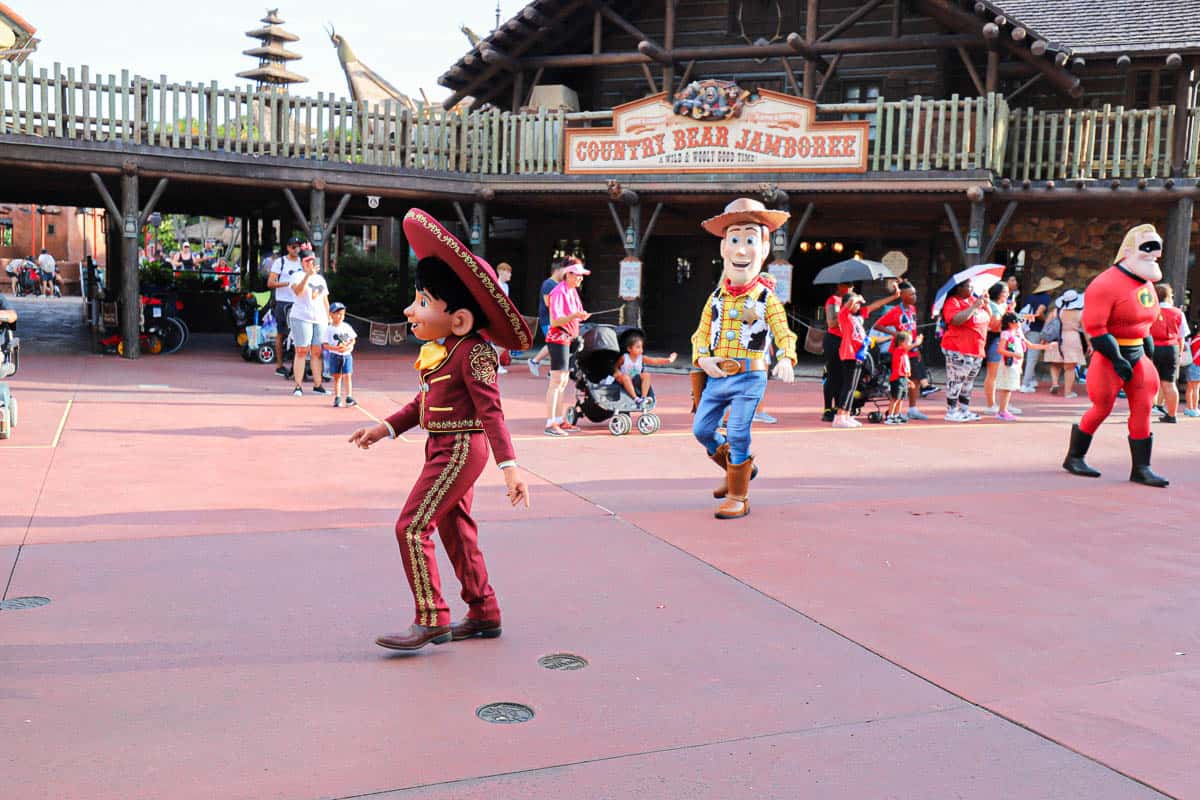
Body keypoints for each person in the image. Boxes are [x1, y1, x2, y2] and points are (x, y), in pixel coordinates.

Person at [349, 208, 532, 651]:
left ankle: (432, 616)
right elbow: (424, 403)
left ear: (460, 319)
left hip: (459, 450)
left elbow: (492, 412)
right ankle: (484, 611)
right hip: (442, 447)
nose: (411, 310)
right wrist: (385, 429)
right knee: (456, 530)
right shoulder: (445, 351)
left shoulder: (472, 354)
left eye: (424, 302)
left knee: (411, 527)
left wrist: (511, 467)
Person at [691, 198, 797, 520]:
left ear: (764, 248)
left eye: (749, 240)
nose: (740, 250)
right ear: (724, 247)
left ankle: (739, 495)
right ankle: (739, 467)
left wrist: (787, 358)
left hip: (750, 376)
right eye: (734, 240)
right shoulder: (716, 297)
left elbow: (784, 332)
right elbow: (700, 334)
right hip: (717, 377)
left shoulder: (767, 298)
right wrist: (702, 358)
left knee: (737, 431)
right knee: (702, 430)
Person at [1062, 224, 1169, 487]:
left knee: (1144, 407)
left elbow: (1146, 324)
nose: (1155, 253)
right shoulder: (1105, 283)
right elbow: (1096, 328)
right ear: (1130, 251)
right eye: (1148, 247)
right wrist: (1118, 359)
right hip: (1110, 355)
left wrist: (1148, 355)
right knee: (1102, 407)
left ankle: (1141, 468)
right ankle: (1075, 457)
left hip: (1138, 352)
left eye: (1157, 247)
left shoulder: (1146, 284)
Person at [822, 279, 900, 421]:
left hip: (855, 349)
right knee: (834, 376)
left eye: (852, 285)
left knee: (849, 382)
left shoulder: (856, 313)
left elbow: (873, 306)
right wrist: (853, 302)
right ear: (839, 285)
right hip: (837, 341)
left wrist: (894, 297)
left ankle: (845, 410)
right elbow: (831, 322)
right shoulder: (837, 302)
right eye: (848, 284)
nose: (851, 287)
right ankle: (830, 409)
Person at [543, 258, 590, 436]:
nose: (580, 279)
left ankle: (560, 420)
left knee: (562, 382)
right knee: (556, 381)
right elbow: (555, 320)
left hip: (569, 338)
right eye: (578, 275)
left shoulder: (572, 292)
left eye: (581, 276)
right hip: (558, 338)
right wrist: (574, 316)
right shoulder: (558, 291)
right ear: (568, 274)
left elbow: (575, 313)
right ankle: (550, 423)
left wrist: (580, 316)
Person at [872, 280, 929, 420]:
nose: (914, 297)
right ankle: (895, 412)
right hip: (900, 351)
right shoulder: (896, 311)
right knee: (901, 381)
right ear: (902, 295)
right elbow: (877, 325)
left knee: (915, 378)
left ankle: (912, 408)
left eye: (915, 294)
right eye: (911, 294)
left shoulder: (913, 309)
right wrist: (894, 334)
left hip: (913, 348)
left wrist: (917, 348)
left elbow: (913, 330)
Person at [940, 279, 991, 421]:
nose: (972, 288)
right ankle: (951, 411)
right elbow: (956, 320)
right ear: (959, 288)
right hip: (958, 348)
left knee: (968, 382)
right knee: (956, 380)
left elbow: (990, 319)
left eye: (972, 285)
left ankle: (964, 410)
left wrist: (986, 304)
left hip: (976, 349)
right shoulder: (953, 302)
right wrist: (974, 306)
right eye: (969, 286)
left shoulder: (975, 300)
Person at [287, 247, 330, 396]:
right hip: (301, 317)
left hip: (319, 318)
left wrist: (328, 317)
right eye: (307, 261)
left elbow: (325, 299)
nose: (310, 263)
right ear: (302, 262)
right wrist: (307, 276)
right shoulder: (296, 276)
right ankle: (298, 386)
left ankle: (318, 385)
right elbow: (298, 291)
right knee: (301, 350)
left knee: (317, 352)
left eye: (312, 260)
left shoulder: (320, 279)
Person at [995, 312, 1051, 420]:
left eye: (1020, 321)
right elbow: (1000, 349)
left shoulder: (1018, 333)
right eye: (1017, 321)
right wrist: (1014, 354)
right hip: (1009, 364)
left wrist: (1046, 347)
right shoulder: (1006, 334)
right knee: (1006, 388)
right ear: (1010, 323)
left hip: (1015, 365)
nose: (1020, 323)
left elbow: (1030, 345)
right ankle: (1002, 411)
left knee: (1008, 389)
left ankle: (1003, 410)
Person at [834, 291, 873, 429]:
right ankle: (839, 416)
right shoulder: (844, 315)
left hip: (858, 354)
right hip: (849, 354)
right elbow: (848, 305)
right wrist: (856, 298)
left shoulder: (855, 318)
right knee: (848, 386)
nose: (858, 305)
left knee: (853, 386)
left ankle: (847, 415)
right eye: (855, 303)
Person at [1148, 283, 1186, 424]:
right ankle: (1172, 415)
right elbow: (1181, 336)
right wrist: (1179, 354)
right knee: (1169, 384)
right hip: (1171, 348)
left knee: (1149, 382)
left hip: (1152, 347)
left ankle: (1148, 410)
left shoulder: (1151, 310)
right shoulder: (1178, 313)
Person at [267, 237, 304, 377]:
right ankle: (279, 365)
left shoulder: (303, 262)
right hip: (283, 301)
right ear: (288, 248)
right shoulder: (280, 262)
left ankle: (297, 365)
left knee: (299, 334)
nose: (296, 249)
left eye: (298, 246)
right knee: (282, 333)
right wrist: (288, 283)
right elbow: (270, 283)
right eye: (294, 247)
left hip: (299, 301)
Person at [1019, 276, 1063, 392]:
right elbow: (1039, 312)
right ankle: (1025, 384)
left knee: (1028, 355)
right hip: (1036, 329)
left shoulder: (1031, 297)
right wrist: (1047, 321)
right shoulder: (1045, 298)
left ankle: (1031, 379)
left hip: (1026, 328)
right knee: (1032, 357)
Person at [1044, 289, 1088, 399]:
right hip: (1072, 338)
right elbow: (1085, 330)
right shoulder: (1080, 313)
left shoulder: (1056, 311)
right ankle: (1068, 392)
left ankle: (1055, 383)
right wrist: (1089, 344)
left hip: (1056, 338)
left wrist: (1044, 339)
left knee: (1055, 363)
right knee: (1070, 367)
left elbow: (1047, 325)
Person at [527, 260, 567, 377]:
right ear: (557, 270)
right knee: (554, 344)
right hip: (548, 320)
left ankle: (551, 370)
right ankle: (535, 361)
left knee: (554, 344)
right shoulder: (548, 284)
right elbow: (548, 302)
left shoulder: (557, 284)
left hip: (554, 320)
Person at [614, 331, 676, 405]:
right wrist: (617, 372)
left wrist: (668, 360)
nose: (641, 350)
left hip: (635, 380)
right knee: (625, 377)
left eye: (641, 347)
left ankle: (643, 397)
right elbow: (615, 366)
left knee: (646, 375)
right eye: (638, 347)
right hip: (624, 380)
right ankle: (636, 398)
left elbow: (654, 360)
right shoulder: (624, 357)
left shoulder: (641, 358)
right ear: (629, 349)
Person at [323, 302, 357, 407]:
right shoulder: (329, 329)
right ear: (331, 315)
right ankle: (337, 397)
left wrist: (348, 347)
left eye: (342, 313)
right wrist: (336, 348)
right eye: (337, 313)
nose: (340, 316)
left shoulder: (346, 327)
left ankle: (349, 397)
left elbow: (353, 339)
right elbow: (325, 345)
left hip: (346, 355)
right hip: (335, 355)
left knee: (347, 376)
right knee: (337, 377)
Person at [885, 330, 913, 424]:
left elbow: (903, 368)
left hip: (902, 378)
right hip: (897, 378)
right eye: (908, 341)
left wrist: (907, 380)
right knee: (895, 398)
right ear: (901, 343)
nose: (910, 344)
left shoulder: (904, 353)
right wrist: (916, 343)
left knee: (901, 399)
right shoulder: (898, 350)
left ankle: (897, 415)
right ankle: (890, 416)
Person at [494, 262, 513, 374]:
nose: (510, 274)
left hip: (503, 318)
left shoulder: (506, 286)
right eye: (508, 272)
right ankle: (495, 364)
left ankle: (495, 363)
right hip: (496, 318)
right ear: (501, 272)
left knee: (503, 342)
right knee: (501, 342)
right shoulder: (496, 285)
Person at [1184, 331, 1200, 418]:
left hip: (1189, 364)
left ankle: (1189, 408)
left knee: (1189, 388)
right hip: (1197, 365)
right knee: (1196, 389)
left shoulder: (1192, 339)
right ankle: (1195, 409)